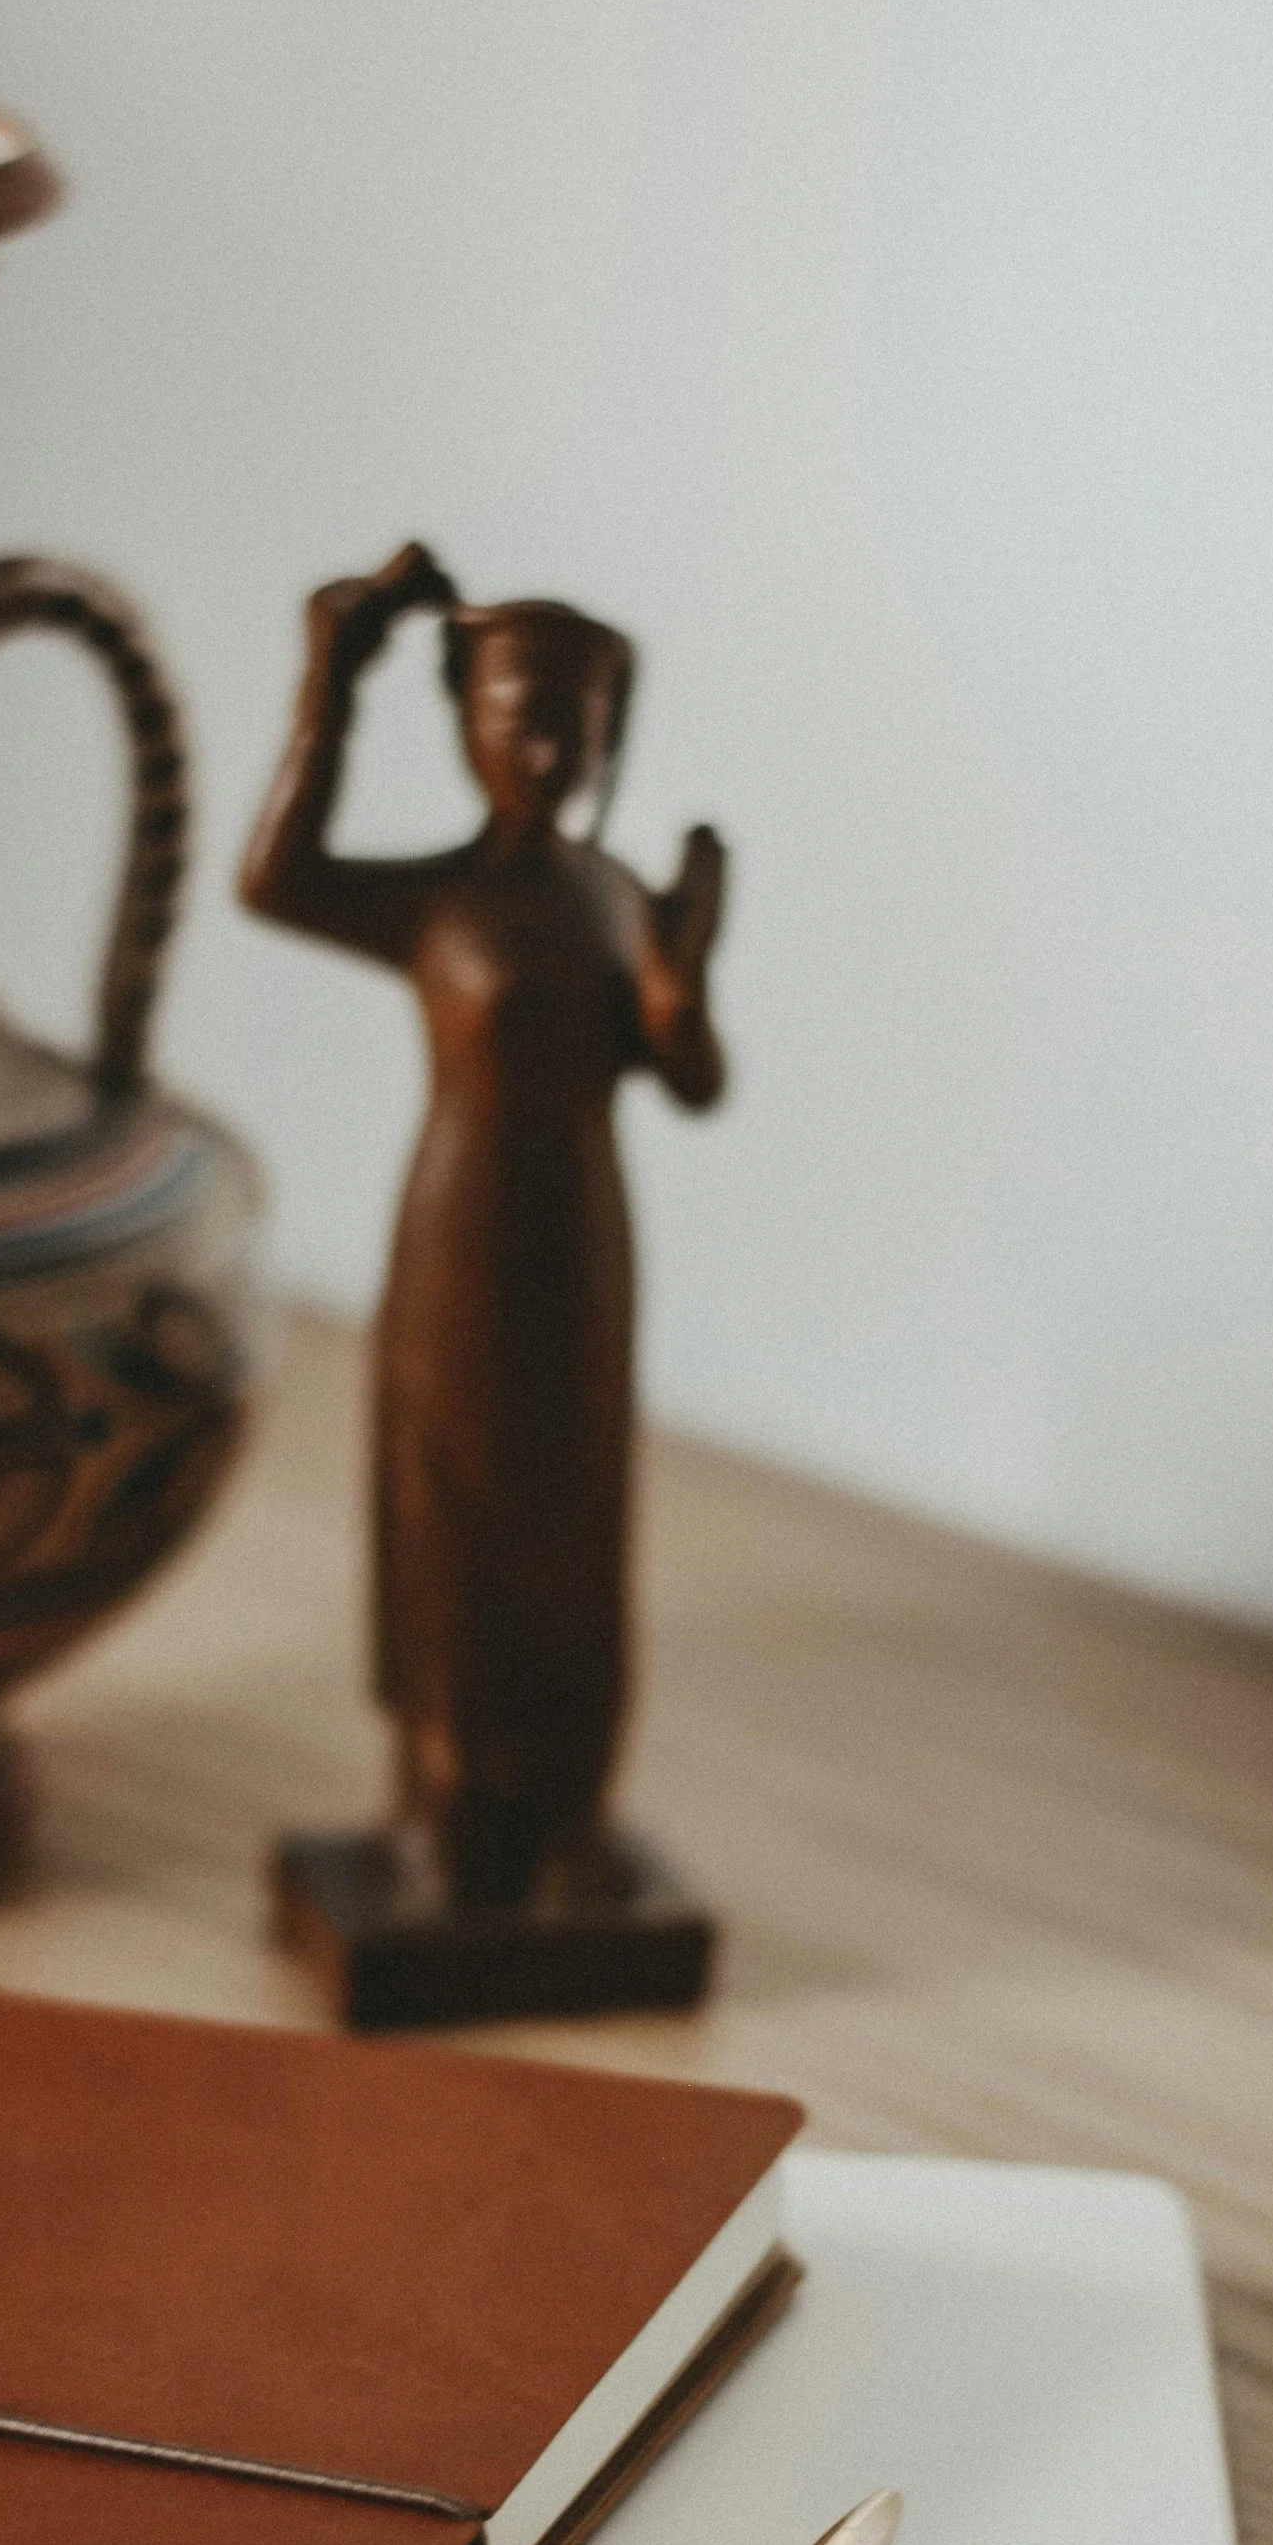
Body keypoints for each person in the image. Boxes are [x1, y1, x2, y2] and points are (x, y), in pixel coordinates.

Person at [240, 541, 727, 1908]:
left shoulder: (616, 901)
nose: (547, 751)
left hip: (583, 1236)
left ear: (609, 738)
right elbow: (276, 879)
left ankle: (567, 1805)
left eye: (575, 726)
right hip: (460, 1233)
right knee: (452, 1505)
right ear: (468, 725)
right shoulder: (438, 900)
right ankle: (445, 1803)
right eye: (519, 719)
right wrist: (330, 684)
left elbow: (691, 1079)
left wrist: (680, 990)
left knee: (573, 1515)